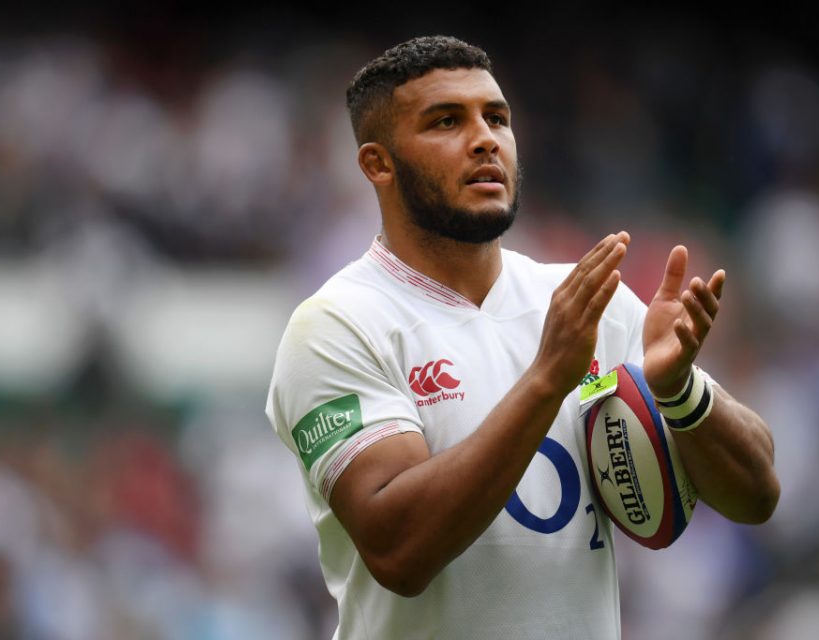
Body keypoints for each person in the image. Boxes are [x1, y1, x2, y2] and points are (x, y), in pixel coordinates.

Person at [266, 35, 780, 639]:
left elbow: (757, 496)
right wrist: (546, 380)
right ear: (378, 164)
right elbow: (399, 553)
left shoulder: (587, 299)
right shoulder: (338, 324)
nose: (485, 138)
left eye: (497, 118)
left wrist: (681, 392)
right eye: (446, 121)